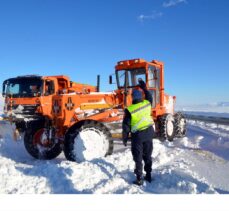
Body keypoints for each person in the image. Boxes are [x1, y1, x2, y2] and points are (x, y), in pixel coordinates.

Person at [122, 79, 154, 186]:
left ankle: (139, 178)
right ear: (141, 96)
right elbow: (150, 96)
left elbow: (126, 126)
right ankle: (148, 175)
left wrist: (125, 138)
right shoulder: (147, 103)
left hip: (138, 136)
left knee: (138, 157)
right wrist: (144, 88)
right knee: (148, 156)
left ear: (132, 98)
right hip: (149, 133)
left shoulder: (129, 109)